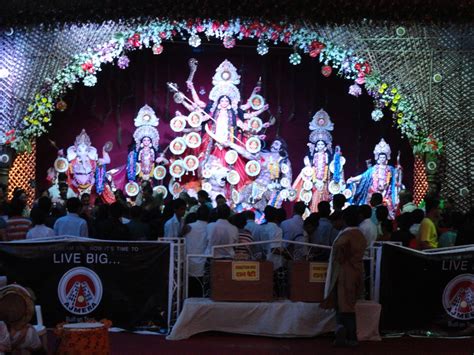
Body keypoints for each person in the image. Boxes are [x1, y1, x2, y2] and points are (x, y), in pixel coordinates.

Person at [321, 205, 367, 347]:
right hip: (355, 271)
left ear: (345, 219)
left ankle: (349, 336)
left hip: (345, 273)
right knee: (346, 304)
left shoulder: (347, 235)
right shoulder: (360, 234)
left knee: (344, 305)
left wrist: (340, 260)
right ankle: (343, 333)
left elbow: (340, 249)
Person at [292, 109, 345, 212]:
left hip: (325, 182)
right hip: (314, 181)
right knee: (313, 201)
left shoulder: (327, 155)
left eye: (322, 144)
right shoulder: (313, 155)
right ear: (315, 146)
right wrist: (314, 180)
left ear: (325, 146)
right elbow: (310, 168)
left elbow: (332, 167)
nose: (320, 146)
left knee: (324, 199)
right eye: (318, 144)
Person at [347, 138, 402, 217]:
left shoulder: (390, 169)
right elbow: (363, 176)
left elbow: (397, 177)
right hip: (374, 192)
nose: (382, 159)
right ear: (378, 158)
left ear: (386, 158)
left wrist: (399, 170)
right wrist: (353, 179)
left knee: (388, 207)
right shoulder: (373, 169)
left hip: (386, 192)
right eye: (381, 157)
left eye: (384, 157)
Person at [185, 206, 210, 297]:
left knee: (189, 291)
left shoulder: (189, 227)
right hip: (203, 263)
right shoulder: (210, 228)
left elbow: (178, 238)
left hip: (189, 262)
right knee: (201, 291)